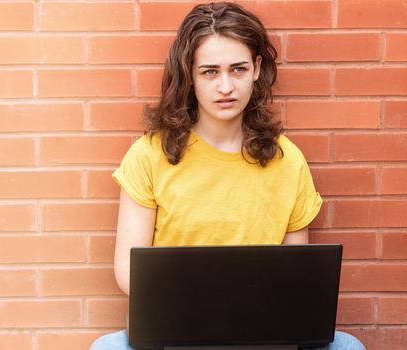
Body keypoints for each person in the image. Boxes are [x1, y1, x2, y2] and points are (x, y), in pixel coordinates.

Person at [91, 2, 365, 349]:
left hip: (261, 327)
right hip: (177, 322)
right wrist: (201, 298)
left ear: (256, 69)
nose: (225, 86)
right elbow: (129, 272)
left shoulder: (288, 160)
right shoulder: (149, 155)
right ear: (189, 75)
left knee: (348, 347)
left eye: (237, 69)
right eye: (209, 71)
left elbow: (298, 277)